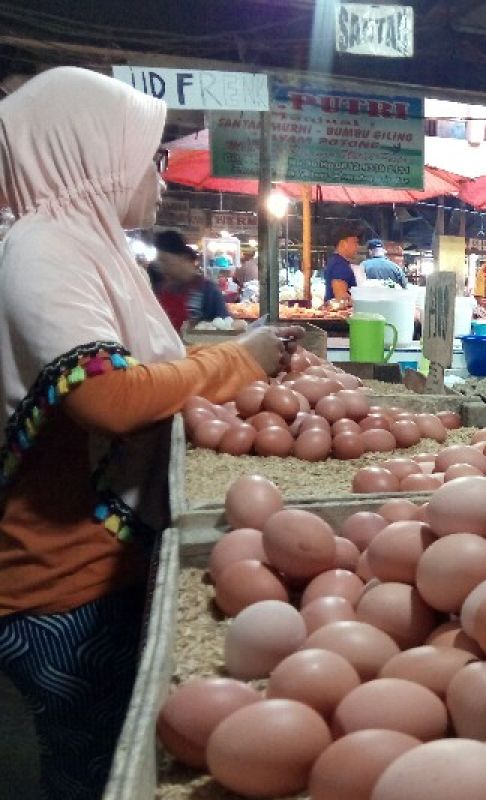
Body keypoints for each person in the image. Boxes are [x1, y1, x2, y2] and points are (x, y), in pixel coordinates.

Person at [0, 67, 302, 800]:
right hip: (63, 586)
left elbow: (134, 365)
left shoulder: (83, 244)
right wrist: (233, 362)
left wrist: (227, 361)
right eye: (149, 154)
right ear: (91, 153)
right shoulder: (43, 249)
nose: (161, 176)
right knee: (94, 767)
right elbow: (104, 396)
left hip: (98, 569)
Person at [150, 230, 229, 331]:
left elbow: (225, 328)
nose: (162, 267)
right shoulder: (160, 290)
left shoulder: (208, 291)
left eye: (166, 261)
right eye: (159, 262)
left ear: (184, 258)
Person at [323, 225, 360, 303]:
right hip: (339, 313)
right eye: (355, 242)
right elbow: (341, 297)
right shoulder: (339, 265)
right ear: (343, 243)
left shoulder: (335, 261)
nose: (357, 246)